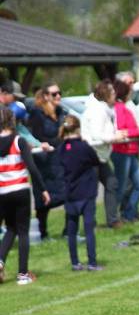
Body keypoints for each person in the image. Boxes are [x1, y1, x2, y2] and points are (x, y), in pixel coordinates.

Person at [0, 106, 50, 285]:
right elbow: (32, 168)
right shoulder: (18, 140)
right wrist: (43, 189)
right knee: (22, 231)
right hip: (20, 189)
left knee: (10, 228)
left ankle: (0, 262)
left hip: (2, 191)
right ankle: (22, 274)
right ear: (12, 120)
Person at [57, 115, 103, 271]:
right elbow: (96, 161)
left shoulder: (61, 149)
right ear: (78, 128)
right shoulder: (84, 147)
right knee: (89, 229)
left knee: (72, 231)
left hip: (70, 193)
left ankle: (75, 263)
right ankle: (92, 262)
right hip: (86, 191)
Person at [81, 79, 127, 228]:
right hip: (91, 155)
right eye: (112, 91)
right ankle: (90, 223)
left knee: (111, 184)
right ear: (105, 94)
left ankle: (112, 220)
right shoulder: (97, 111)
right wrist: (115, 137)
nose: (115, 94)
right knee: (91, 191)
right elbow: (97, 135)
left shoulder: (104, 109)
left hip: (100, 155)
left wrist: (116, 134)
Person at [28, 82, 66, 239]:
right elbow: (37, 137)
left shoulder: (61, 111)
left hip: (60, 160)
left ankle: (68, 231)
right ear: (45, 96)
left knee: (68, 194)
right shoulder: (37, 114)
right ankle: (42, 233)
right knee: (44, 200)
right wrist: (57, 141)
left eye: (59, 93)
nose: (58, 96)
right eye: (54, 94)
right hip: (44, 162)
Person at [111, 79, 139, 222]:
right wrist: (138, 131)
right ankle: (113, 218)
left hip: (131, 151)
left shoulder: (125, 107)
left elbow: (129, 129)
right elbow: (121, 130)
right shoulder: (118, 108)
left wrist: (137, 131)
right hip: (121, 152)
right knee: (120, 188)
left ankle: (128, 214)